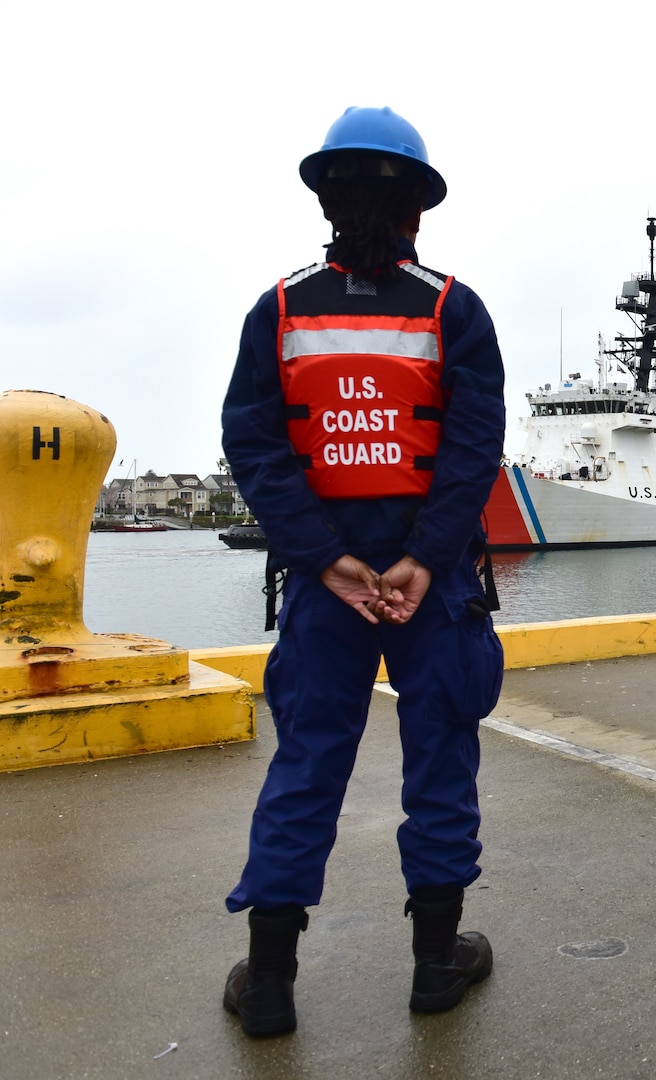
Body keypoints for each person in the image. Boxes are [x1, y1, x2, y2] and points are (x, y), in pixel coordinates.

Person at [220, 106, 507, 1035]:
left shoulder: (280, 308)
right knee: (440, 762)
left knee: (306, 763)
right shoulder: (453, 309)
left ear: (326, 202)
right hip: (432, 587)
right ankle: (435, 964)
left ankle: (269, 983)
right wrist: (422, 561)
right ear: (420, 211)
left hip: (324, 582)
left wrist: (327, 558)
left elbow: (255, 446)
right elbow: (471, 451)